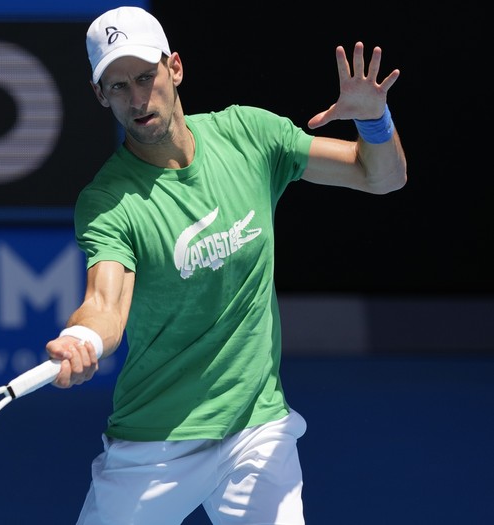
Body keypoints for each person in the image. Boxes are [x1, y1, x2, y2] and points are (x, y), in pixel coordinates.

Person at [43, 5, 407, 525]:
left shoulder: (249, 136)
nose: (138, 99)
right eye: (118, 87)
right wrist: (82, 339)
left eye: (146, 77)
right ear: (101, 94)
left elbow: (381, 177)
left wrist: (374, 120)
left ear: (175, 68)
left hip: (258, 430)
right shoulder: (108, 201)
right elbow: (105, 305)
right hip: (155, 441)